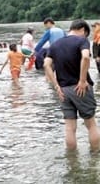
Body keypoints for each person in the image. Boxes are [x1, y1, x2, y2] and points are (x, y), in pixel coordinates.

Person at [43, 19, 100, 150]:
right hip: (81, 88)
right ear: (82, 30)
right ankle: (96, 157)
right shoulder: (82, 41)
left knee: (69, 128)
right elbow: (86, 57)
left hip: (63, 90)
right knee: (91, 124)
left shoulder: (55, 44)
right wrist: (82, 80)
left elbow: (46, 64)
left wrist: (56, 86)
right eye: (85, 34)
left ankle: (72, 161)